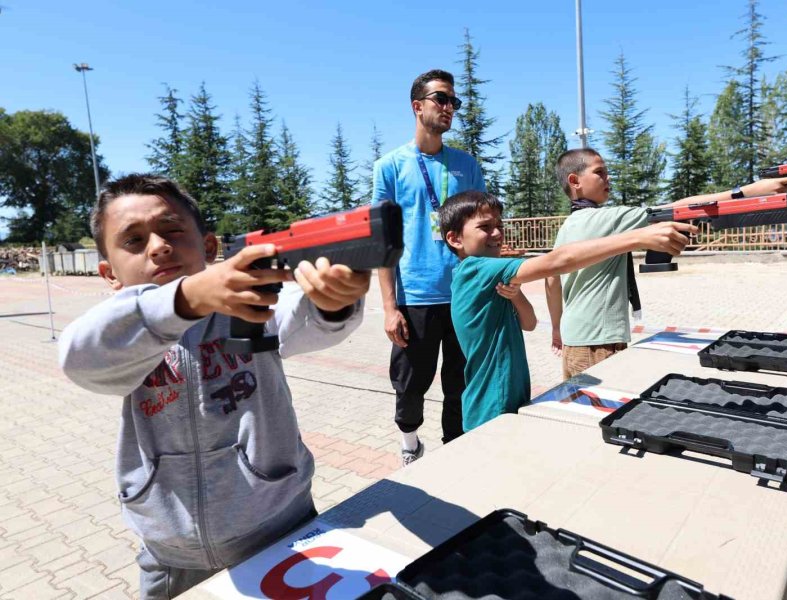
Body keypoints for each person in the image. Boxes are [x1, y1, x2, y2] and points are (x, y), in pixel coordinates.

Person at [58, 174, 370, 600]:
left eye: (172, 230)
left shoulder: (248, 303)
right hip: (172, 552)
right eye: (133, 240)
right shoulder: (122, 330)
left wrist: (333, 303)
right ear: (110, 274)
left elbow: (305, 321)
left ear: (208, 248)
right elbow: (79, 357)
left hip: (279, 526)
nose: (158, 246)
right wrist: (184, 299)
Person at [439, 190, 697, 432]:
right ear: (455, 239)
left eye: (500, 226)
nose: (497, 233)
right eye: (485, 227)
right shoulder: (475, 269)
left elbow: (528, 323)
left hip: (508, 397)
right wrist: (637, 237)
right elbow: (557, 261)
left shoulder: (491, 280)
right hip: (489, 405)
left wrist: (516, 295)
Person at [546, 148, 787, 379]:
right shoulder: (604, 219)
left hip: (573, 340)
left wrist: (557, 328)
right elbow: (677, 207)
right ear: (575, 181)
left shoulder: (568, 226)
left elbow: (550, 281)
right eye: (599, 172)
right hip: (598, 344)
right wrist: (747, 192)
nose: (608, 178)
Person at [372, 69, 486, 465]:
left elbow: (483, 230)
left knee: (461, 380)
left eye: (454, 101)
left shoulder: (467, 166)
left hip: (464, 292)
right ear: (417, 106)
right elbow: (382, 240)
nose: (449, 108)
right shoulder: (389, 167)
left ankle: (456, 450)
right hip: (416, 296)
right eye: (441, 99)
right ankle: (410, 446)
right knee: (410, 383)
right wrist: (389, 308)